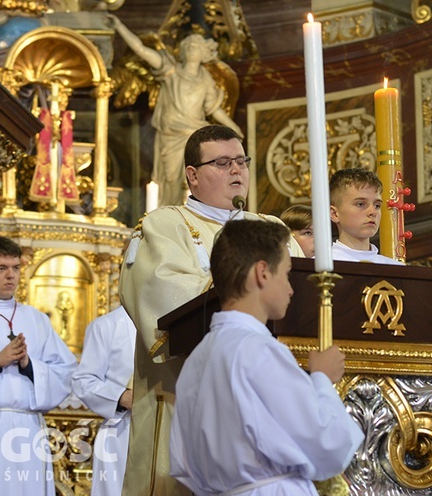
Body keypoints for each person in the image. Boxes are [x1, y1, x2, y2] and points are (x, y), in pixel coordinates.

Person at [119, 124, 303, 495]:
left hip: (264, 406)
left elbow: (302, 301)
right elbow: (162, 300)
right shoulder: (164, 226)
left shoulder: (273, 229)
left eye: (241, 161)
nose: (236, 170)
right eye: (222, 162)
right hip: (185, 402)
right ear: (192, 175)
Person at [170, 219, 364, 494]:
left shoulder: (197, 359)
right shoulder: (259, 350)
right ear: (262, 272)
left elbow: (183, 465)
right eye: (286, 274)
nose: (290, 288)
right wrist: (321, 379)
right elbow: (327, 447)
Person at [0, 236, 77, 495]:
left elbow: (67, 371)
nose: (11, 276)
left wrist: (30, 366)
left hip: (28, 430)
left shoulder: (37, 319)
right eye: (1, 268)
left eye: (16, 268)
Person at [108, 14, 243, 206]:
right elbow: (140, 50)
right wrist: (120, 26)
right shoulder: (171, 71)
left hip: (194, 134)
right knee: (170, 178)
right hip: (171, 135)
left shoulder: (206, 79)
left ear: (205, 52)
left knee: (192, 176)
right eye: (188, 46)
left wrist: (233, 127)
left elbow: (215, 109)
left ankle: (191, 213)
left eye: (196, 46)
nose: (191, 49)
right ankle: (170, 214)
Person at [72, 306, 136, 496]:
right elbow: (83, 380)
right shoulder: (107, 325)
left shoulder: (172, 322)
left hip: (167, 425)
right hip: (122, 430)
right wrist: (121, 396)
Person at [329, 168, 404, 265]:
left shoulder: (396, 268)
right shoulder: (318, 267)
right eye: (361, 204)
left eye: (377, 205)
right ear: (334, 214)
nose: (373, 212)